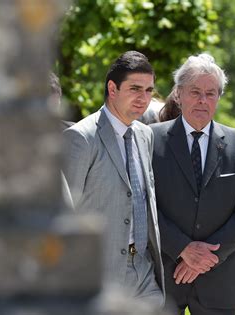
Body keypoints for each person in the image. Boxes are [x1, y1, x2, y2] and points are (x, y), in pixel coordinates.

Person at [151, 53, 235, 315]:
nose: (203, 100)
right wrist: (183, 250)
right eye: (195, 91)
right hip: (165, 273)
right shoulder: (150, 140)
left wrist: (205, 258)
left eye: (211, 93)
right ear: (178, 94)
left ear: (219, 98)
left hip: (219, 278)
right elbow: (145, 203)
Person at [62, 51, 164, 306]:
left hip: (144, 274)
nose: (144, 98)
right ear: (112, 88)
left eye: (149, 90)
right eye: (135, 88)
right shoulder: (81, 138)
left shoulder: (145, 135)